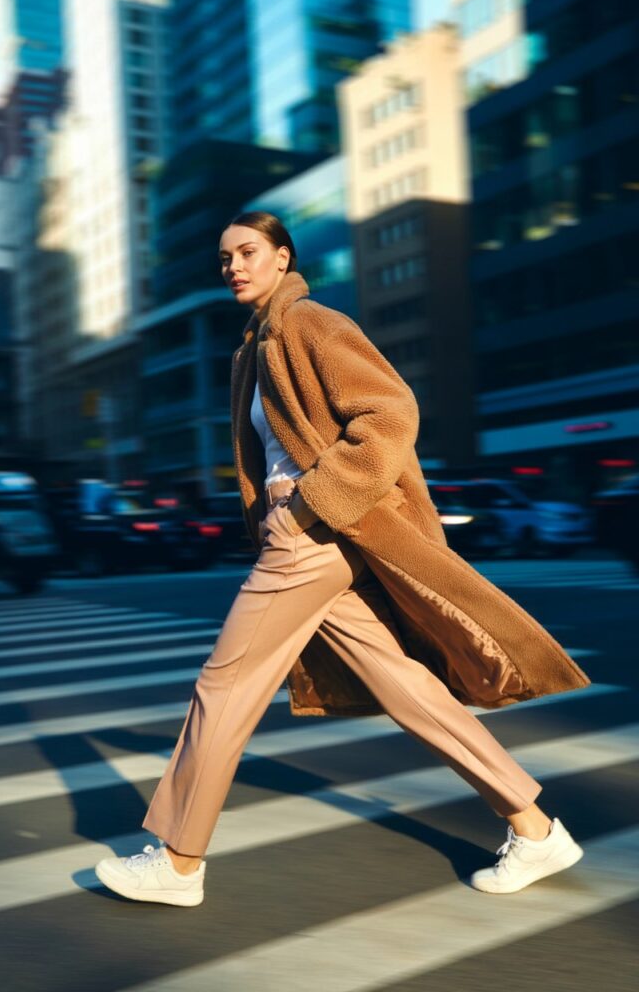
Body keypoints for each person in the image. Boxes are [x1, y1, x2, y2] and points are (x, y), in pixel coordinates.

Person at [95, 211, 586, 907]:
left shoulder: (310, 323)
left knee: (225, 685)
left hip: (313, 533)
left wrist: (308, 504)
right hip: (314, 535)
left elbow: (391, 413)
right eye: (225, 258)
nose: (234, 266)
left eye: (248, 252)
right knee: (404, 686)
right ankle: (535, 829)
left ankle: (177, 862)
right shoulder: (256, 346)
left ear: (282, 257)